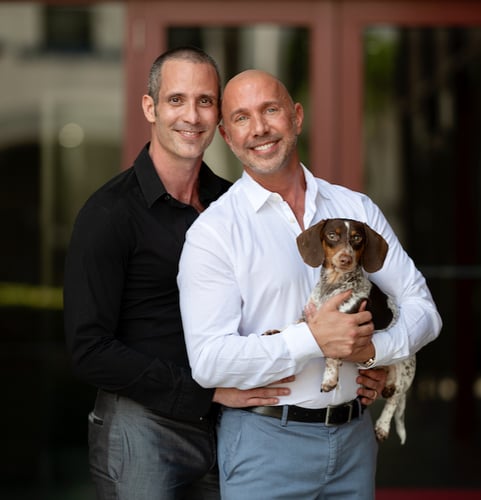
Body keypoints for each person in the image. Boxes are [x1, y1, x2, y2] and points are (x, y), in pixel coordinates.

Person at [178, 69, 442, 499]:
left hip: (355, 440)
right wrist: (313, 340)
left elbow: (422, 307)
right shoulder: (214, 232)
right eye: (242, 118)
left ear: (297, 117)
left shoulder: (356, 209)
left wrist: (374, 351)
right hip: (265, 444)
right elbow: (209, 361)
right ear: (226, 135)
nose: (259, 128)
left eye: (271, 110)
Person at [63, 48, 293, 500]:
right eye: (176, 100)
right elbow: (89, 349)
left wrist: (362, 361)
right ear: (150, 108)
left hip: (233, 425)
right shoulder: (109, 213)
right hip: (143, 427)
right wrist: (205, 393)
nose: (192, 115)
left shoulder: (235, 204)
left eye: (205, 101)